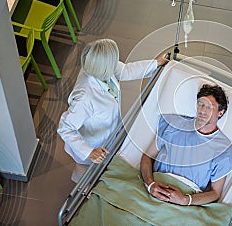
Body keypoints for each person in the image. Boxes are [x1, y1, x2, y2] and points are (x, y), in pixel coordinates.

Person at [58, 38, 168, 183]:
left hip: (106, 134)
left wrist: (156, 63)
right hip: (90, 142)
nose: (117, 62)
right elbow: (65, 128)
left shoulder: (101, 67)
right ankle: (79, 185)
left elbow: (126, 70)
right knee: (84, 167)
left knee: (99, 166)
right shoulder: (85, 98)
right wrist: (89, 151)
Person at [140, 84, 232, 206]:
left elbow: (215, 193)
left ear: (220, 113)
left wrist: (185, 200)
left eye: (209, 107)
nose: (202, 110)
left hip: (185, 199)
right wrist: (150, 184)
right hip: (155, 187)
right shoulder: (174, 124)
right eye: (200, 104)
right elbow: (147, 156)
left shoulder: (223, 150)